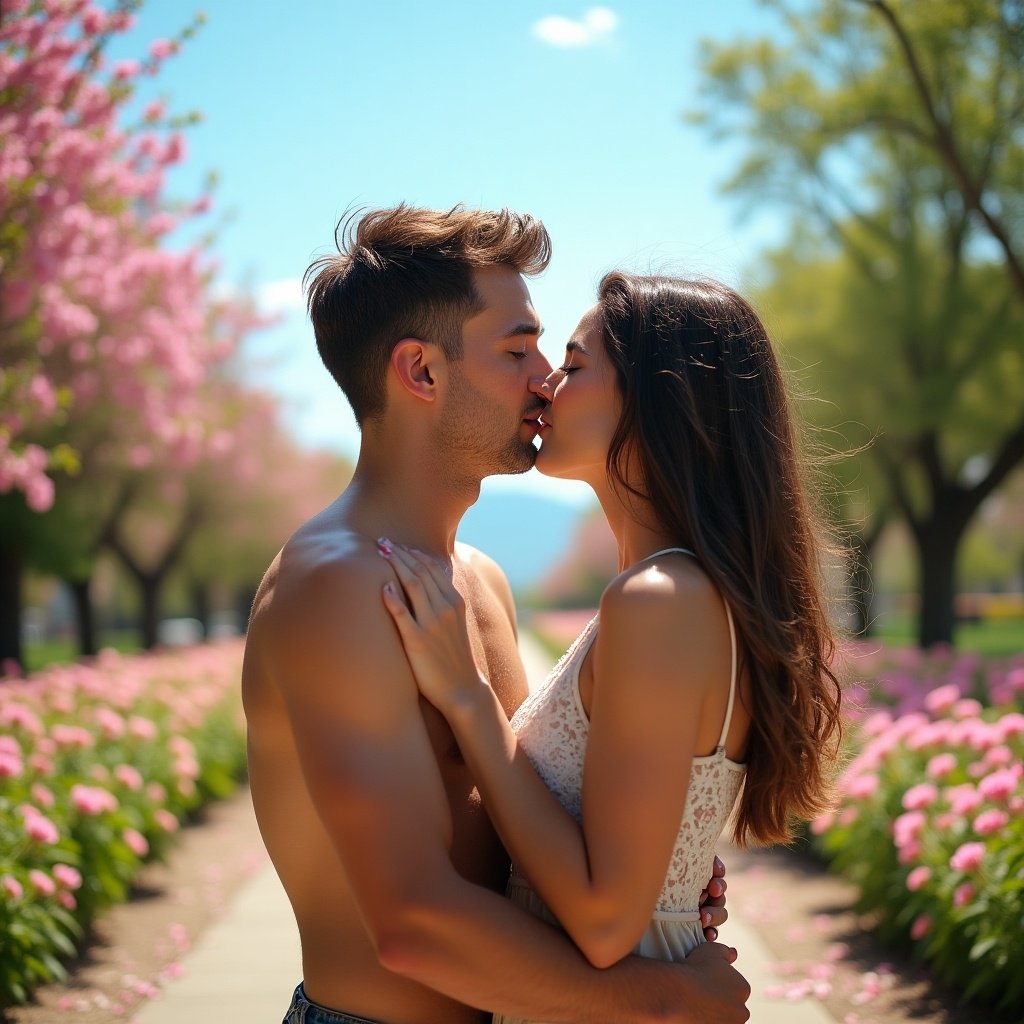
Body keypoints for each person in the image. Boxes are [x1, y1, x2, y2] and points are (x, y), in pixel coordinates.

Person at [242, 207, 750, 1024]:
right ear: (422, 372)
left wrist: (656, 869)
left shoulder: (477, 578)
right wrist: (655, 997)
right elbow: (412, 926)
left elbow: (526, 820)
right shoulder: (336, 586)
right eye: (518, 350)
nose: (546, 376)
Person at [380, 271, 845, 1019]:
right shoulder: (670, 596)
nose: (544, 387)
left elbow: (601, 924)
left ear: (657, 399)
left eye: (574, 363)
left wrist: (467, 697)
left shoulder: (659, 603)